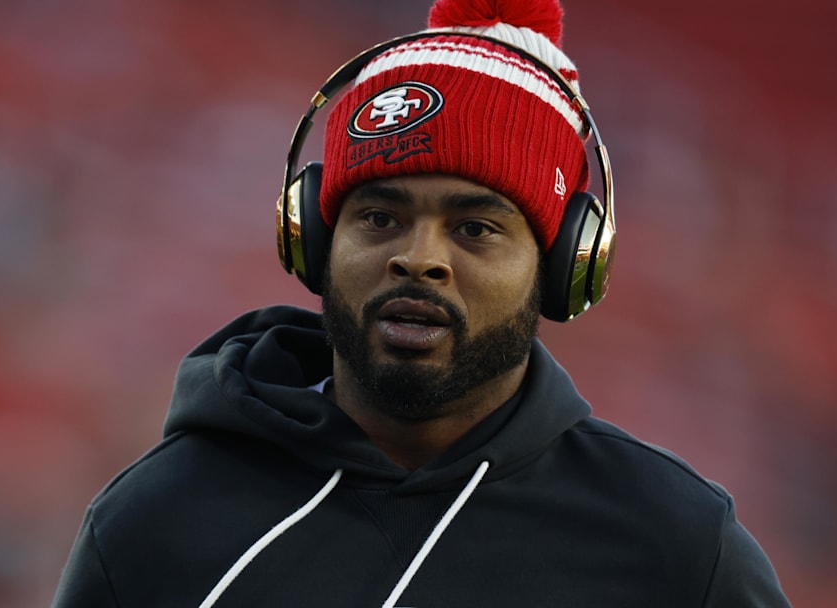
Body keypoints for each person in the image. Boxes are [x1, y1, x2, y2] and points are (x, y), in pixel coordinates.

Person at [52, 0, 792, 605]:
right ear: (314, 240)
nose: (419, 257)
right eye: (380, 217)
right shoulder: (155, 521)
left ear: (560, 266)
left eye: (475, 228)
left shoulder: (676, 546)